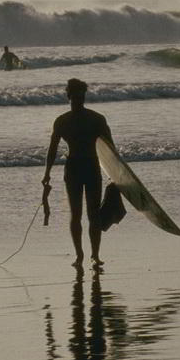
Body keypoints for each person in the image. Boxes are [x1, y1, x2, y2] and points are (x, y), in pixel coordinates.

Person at [43, 79, 113, 269]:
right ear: (68, 97)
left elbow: (111, 148)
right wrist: (47, 173)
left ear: (84, 97)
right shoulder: (62, 121)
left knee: (94, 214)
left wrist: (115, 175)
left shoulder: (97, 119)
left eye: (80, 98)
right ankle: (79, 255)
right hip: (73, 168)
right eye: (74, 98)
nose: (77, 102)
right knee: (75, 214)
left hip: (92, 166)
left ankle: (95, 256)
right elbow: (52, 149)